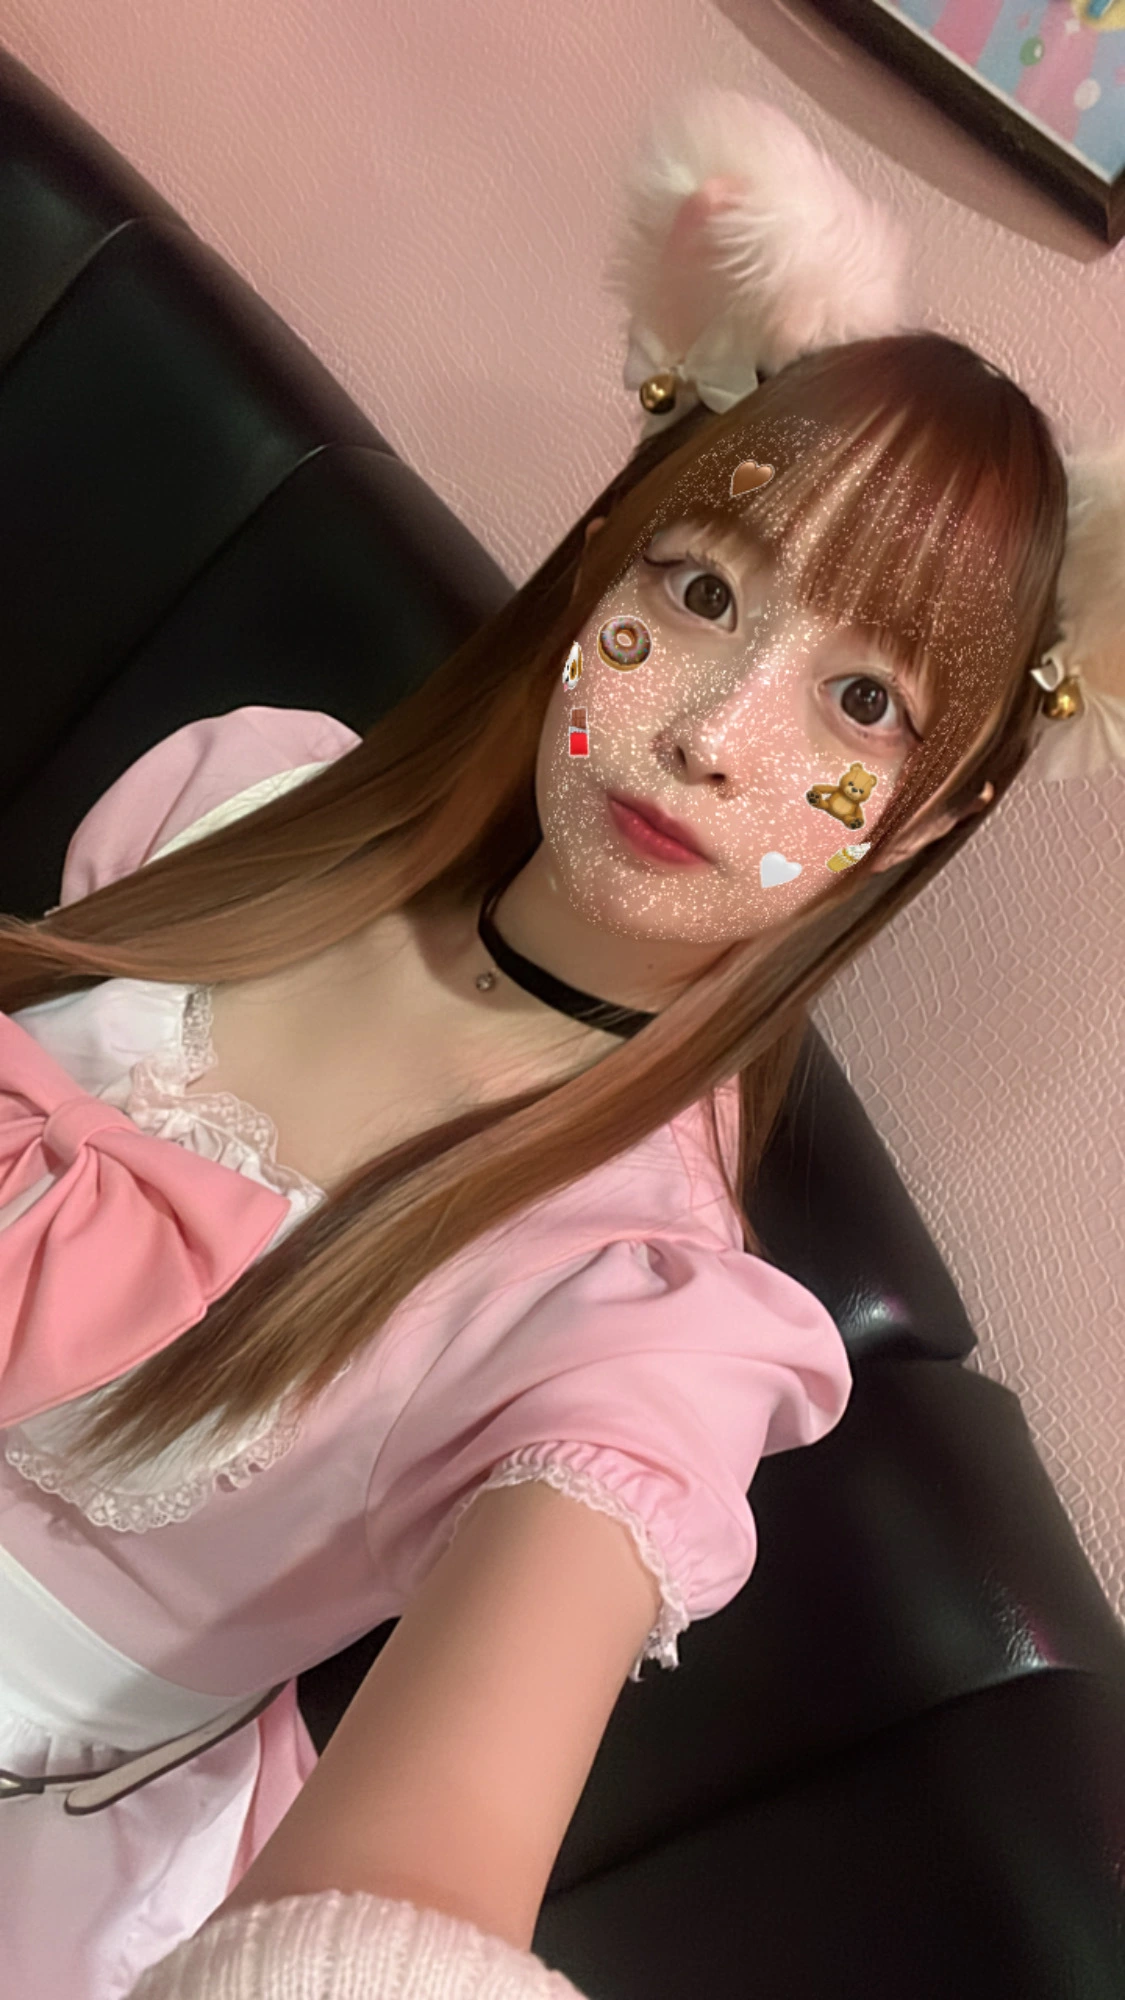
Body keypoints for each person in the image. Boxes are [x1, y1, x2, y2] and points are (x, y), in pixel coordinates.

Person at [0, 89, 1117, 2000]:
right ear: (603, 568)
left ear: (924, 818)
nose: (715, 735)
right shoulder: (242, 797)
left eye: (860, 701)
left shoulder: (641, 1313)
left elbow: (429, 1877)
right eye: (704, 592)